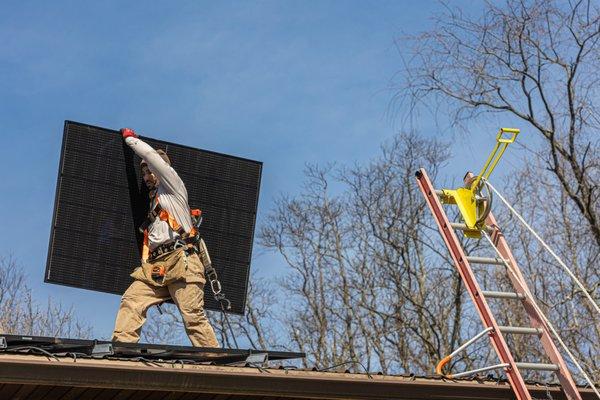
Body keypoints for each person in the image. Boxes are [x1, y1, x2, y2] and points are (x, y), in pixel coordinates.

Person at [111, 127, 219, 348]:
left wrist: (131, 140)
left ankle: (213, 360)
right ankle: (122, 348)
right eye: (143, 174)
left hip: (182, 261)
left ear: (161, 170)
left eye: (150, 172)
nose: (146, 177)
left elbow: (150, 155)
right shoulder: (152, 205)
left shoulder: (174, 188)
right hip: (157, 267)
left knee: (192, 317)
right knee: (132, 300)